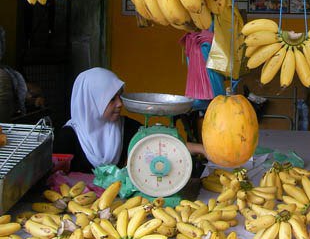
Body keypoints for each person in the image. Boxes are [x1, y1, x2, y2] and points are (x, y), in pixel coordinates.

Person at [53, 67, 205, 173]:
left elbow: (162, 143)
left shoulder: (126, 127)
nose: (120, 104)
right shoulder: (68, 137)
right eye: (111, 99)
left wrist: (203, 149)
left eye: (120, 96)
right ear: (91, 102)